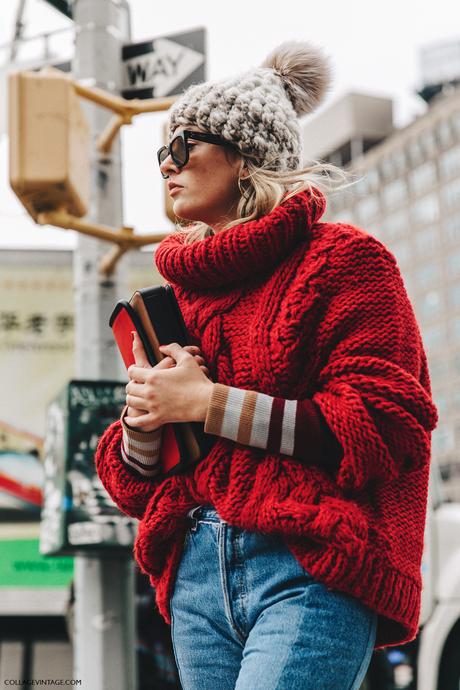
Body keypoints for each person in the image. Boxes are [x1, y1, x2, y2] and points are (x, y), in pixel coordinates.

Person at [95, 41, 438, 690]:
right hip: (196, 571)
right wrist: (147, 416)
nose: (168, 165)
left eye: (184, 145)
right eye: (161, 152)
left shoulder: (344, 262)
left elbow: (386, 425)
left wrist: (207, 403)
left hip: (309, 562)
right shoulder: (178, 298)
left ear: (245, 156)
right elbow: (138, 481)